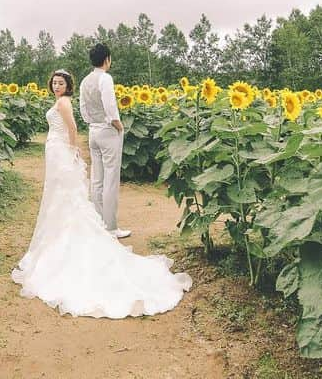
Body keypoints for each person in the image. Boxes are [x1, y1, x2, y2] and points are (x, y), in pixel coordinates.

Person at [10, 69, 192, 318]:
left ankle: (64, 240)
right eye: (54, 83)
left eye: (61, 83)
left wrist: (73, 152)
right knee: (59, 196)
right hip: (55, 150)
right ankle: (61, 234)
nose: (56, 86)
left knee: (64, 196)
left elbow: (72, 127)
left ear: (68, 85)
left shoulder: (63, 102)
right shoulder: (59, 101)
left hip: (61, 151)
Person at [78, 42, 128, 237]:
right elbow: (110, 105)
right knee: (111, 179)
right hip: (108, 130)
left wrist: (92, 122)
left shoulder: (84, 81)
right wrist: (117, 124)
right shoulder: (105, 78)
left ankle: (98, 224)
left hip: (93, 130)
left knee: (96, 179)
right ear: (107, 59)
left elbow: (83, 108)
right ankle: (111, 227)